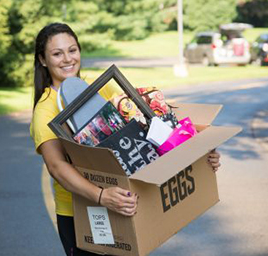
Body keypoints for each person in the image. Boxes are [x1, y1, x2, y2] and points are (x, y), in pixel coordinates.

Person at [30, 23, 221, 256]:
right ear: (42, 59)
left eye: (72, 50)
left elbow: (148, 130)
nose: (67, 59)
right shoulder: (45, 109)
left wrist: (199, 154)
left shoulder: (102, 88)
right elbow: (56, 167)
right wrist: (102, 196)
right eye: (57, 53)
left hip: (124, 203)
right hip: (81, 212)